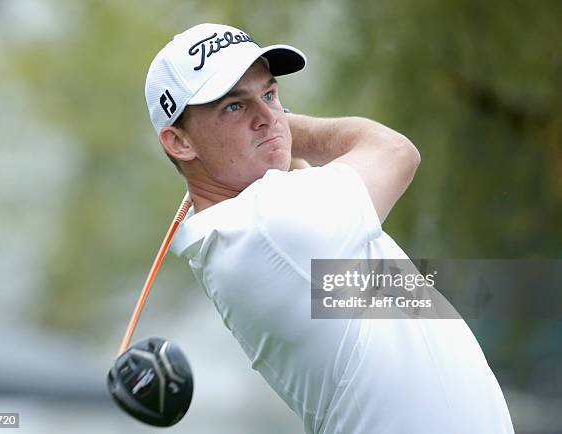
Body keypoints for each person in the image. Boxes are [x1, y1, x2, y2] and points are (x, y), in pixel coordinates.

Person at [144, 23, 515, 433]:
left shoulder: (251, 225)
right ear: (179, 142)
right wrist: (286, 128)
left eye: (269, 94)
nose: (267, 116)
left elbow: (292, 173)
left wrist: (270, 133)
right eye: (234, 106)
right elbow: (395, 151)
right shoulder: (269, 226)